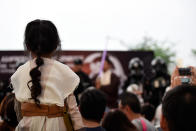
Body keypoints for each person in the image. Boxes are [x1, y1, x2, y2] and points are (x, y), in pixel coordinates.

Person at [11, 19, 83, 131]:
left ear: (27, 46)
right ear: (56, 45)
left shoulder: (20, 72)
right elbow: (73, 110)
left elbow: (18, 110)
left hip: (27, 126)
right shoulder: (64, 71)